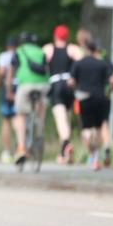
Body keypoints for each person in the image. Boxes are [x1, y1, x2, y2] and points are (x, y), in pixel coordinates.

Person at [70, 40, 113, 171]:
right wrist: (110, 90)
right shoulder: (102, 64)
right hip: (101, 97)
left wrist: (76, 88)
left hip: (84, 97)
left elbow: (71, 82)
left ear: (85, 49)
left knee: (86, 128)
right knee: (98, 127)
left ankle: (91, 154)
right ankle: (97, 157)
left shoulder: (78, 63)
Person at [5, 32, 50, 166]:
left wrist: (9, 91)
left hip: (26, 84)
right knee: (40, 106)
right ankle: (40, 127)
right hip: (43, 85)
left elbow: (10, 73)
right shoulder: (41, 51)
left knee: (20, 114)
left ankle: (21, 148)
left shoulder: (19, 51)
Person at [43, 24, 83, 164]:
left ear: (55, 36)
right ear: (67, 36)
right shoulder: (73, 49)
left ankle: (66, 144)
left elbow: (41, 63)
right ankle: (65, 154)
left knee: (60, 119)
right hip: (70, 85)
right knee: (67, 118)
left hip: (56, 85)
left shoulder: (49, 49)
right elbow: (82, 63)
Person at [0, 35, 18, 163]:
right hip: (19, 86)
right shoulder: (20, 55)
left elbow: (2, 71)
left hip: (7, 87)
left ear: (7, 46)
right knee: (18, 118)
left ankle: (8, 152)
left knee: (6, 120)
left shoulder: (3, 56)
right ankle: (21, 147)